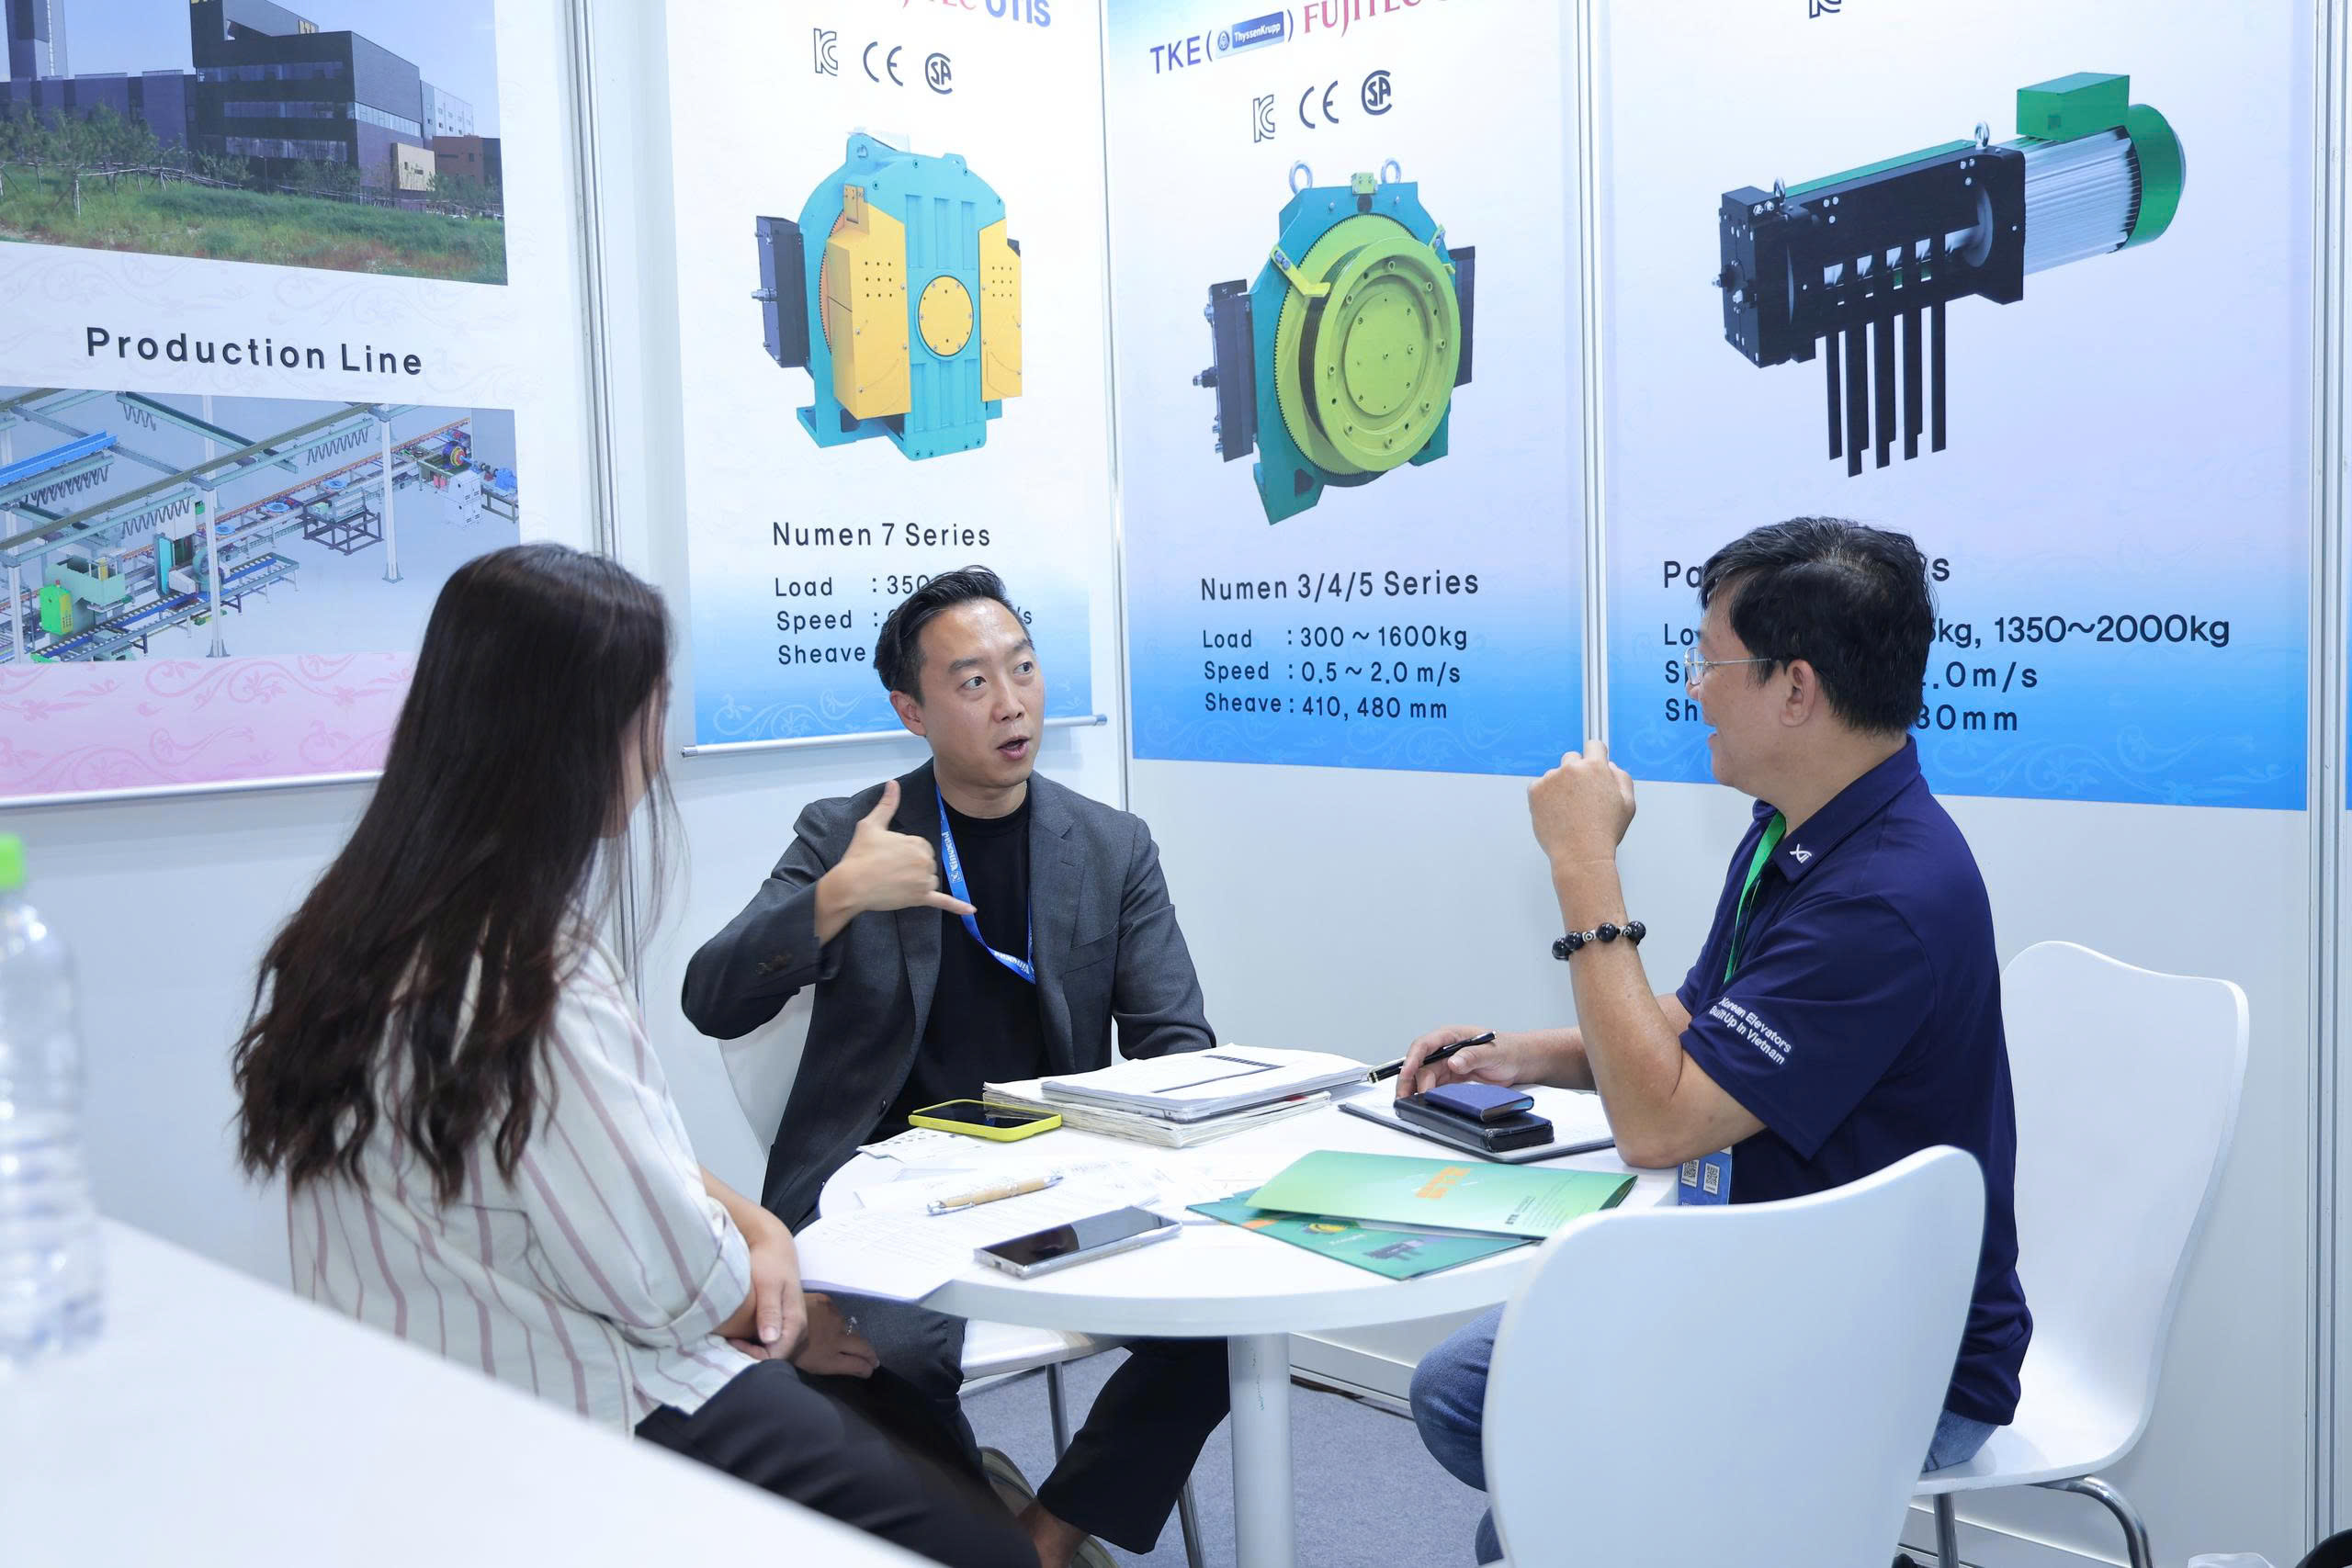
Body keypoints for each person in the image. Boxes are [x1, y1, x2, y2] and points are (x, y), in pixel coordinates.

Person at [231, 544, 1031, 1568]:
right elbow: (677, 1285)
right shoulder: (532, 972)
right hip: (581, 1400)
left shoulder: (350, 926)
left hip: (406, 1378)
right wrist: (772, 1289)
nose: (655, 752)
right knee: (978, 1543)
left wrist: (758, 1231)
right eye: (648, 712)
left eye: (1020, 667)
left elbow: (616, 1164)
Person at [1396, 518, 2032, 1563]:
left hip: (1887, 1348)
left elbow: (1661, 1125)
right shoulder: (1798, 824)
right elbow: (1694, 1027)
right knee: (1477, 1407)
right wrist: (1524, 1054)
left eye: (1709, 662)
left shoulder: (1886, 897)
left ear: (1795, 688)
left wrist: (1582, 867)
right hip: (1776, 1273)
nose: (1693, 689)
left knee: (1515, 1459)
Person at [684, 566, 1227, 1568]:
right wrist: (834, 898)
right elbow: (711, 999)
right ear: (913, 711)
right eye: (973, 682)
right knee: (876, 1357)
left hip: (1057, 1180)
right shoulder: (847, 834)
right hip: (874, 1187)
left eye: (1022, 668)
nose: (1011, 702)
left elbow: (1176, 1044)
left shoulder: (1109, 845)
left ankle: (1042, 1537)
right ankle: (977, 1515)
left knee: (1226, 1316)